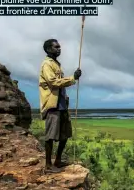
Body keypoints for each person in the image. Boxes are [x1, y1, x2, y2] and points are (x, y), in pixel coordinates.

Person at [39, 39, 82, 173]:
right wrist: (72, 78)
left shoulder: (57, 64)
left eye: (59, 47)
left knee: (65, 134)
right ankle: (47, 165)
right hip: (53, 105)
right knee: (50, 135)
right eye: (56, 47)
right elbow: (53, 82)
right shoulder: (47, 64)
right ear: (48, 49)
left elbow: (59, 84)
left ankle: (57, 161)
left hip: (61, 104)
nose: (59, 49)